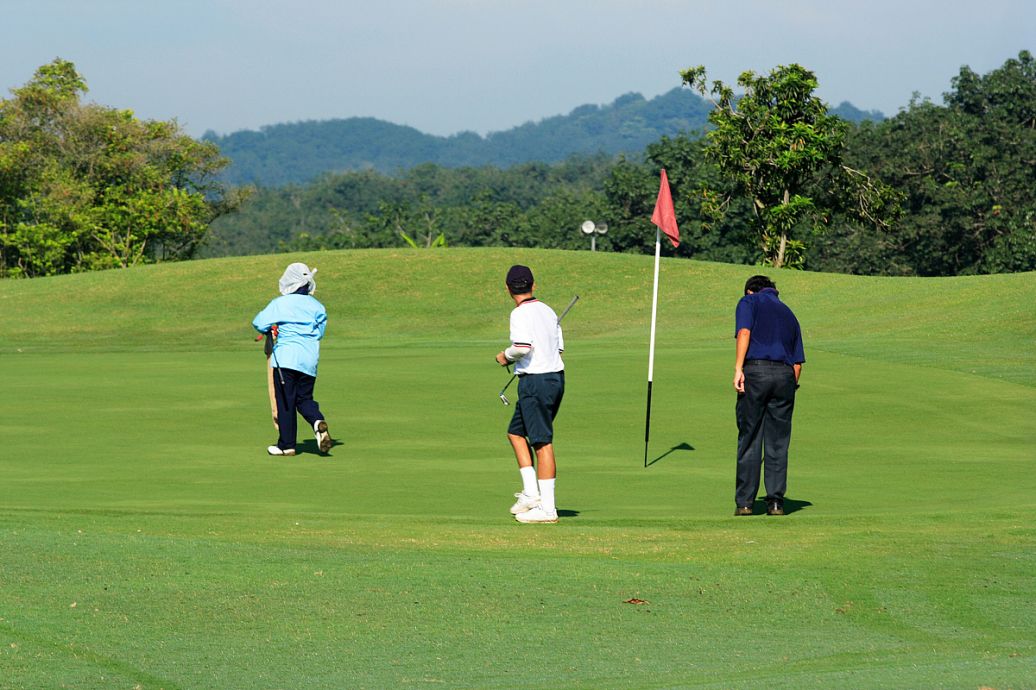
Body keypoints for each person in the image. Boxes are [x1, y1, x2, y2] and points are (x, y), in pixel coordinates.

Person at [495, 265, 565, 524]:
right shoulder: (548, 310)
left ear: (507, 289)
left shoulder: (520, 313)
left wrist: (505, 356)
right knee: (515, 433)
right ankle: (531, 494)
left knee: (541, 442)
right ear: (533, 285)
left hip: (536, 383)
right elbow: (558, 349)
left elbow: (522, 347)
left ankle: (548, 509)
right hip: (553, 378)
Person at [733, 275, 805, 516]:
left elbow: (744, 332)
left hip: (756, 371)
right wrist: (787, 386)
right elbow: (798, 363)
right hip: (785, 377)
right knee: (777, 442)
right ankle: (775, 502)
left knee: (750, 436)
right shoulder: (789, 313)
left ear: (751, 291)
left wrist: (738, 369)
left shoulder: (748, 302)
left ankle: (745, 503)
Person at [252, 262, 333, 457]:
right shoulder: (317, 306)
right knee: (304, 399)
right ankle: (316, 421)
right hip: (309, 360)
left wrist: (270, 328)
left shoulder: (280, 303)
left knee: (286, 402)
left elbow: (258, 322)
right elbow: (319, 333)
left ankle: (286, 445)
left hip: (285, 360)